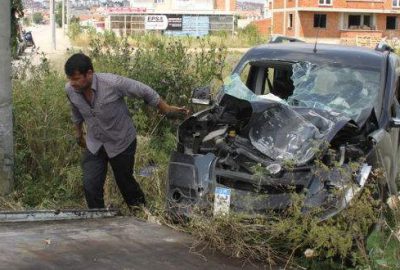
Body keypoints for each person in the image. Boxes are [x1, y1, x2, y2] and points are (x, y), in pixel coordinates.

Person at [64, 53, 188, 209]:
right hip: (95, 143)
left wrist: (166, 109)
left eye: (75, 79)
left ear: (89, 73)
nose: (72, 83)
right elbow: (76, 111)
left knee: (125, 182)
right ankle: (98, 218)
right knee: (90, 184)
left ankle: (141, 213)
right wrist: (78, 133)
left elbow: (143, 90)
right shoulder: (70, 90)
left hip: (121, 141)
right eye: (69, 79)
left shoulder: (112, 83)